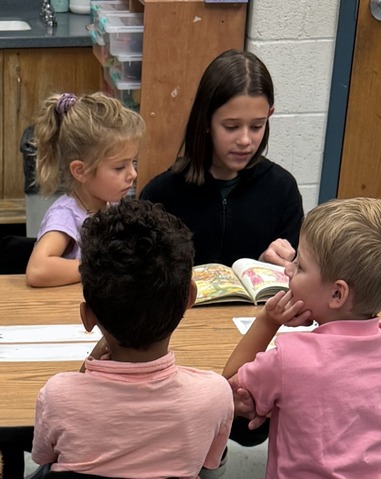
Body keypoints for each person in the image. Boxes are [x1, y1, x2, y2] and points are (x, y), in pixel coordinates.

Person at [30, 199, 233, 478]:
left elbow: (44, 458)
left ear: (88, 316)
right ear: (190, 297)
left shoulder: (58, 395)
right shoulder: (215, 394)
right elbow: (209, 466)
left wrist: (88, 365)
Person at [222, 197, 381, 478]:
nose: (288, 270)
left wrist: (267, 321)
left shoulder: (290, 358)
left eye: (300, 267)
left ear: (337, 294)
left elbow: (227, 387)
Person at [140, 49, 304, 269]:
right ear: (206, 120)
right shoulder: (160, 195)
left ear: (269, 115)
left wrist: (270, 265)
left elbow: (299, 279)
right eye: (231, 126)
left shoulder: (282, 190)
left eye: (257, 126)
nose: (245, 140)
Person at [25, 92, 145, 288]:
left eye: (133, 163)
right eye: (119, 167)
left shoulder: (110, 205)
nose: (133, 174)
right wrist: (101, 268)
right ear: (80, 171)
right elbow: (38, 270)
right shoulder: (67, 216)